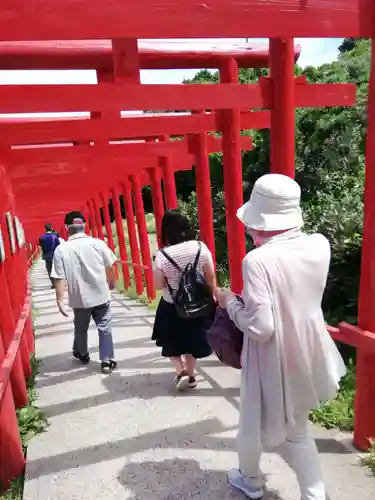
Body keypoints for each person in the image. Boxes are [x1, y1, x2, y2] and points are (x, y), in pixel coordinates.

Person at [215, 174, 346, 500]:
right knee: (298, 427)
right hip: (309, 345)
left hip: (270, 355)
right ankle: (314, 495)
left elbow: (261, 327)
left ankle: (250, 481)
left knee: (250, 421)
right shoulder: (319, 244)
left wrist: (229, 302)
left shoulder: (257, 260)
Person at [152, 210, 216, 390]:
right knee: (191, 342)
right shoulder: (200, 247)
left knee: (170, 342)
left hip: (172, 305)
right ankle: (191, 374)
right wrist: (212, 297)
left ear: (165, 231)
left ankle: (181, 371)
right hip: (197, 303)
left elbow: (158, 285)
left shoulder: (162, 255)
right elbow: (210, 276)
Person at [51, 211, 118, 374]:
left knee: (80, 328)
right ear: (84, 225)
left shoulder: (61, 249)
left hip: (79, 298)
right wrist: (112, 282)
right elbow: (110, 266)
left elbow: (58, 277)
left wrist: (60, 300)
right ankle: (107, 361)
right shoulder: (98, 243)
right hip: (101, 295)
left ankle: (82, 354)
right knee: (105, 327)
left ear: (66, 227)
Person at [39, 223, 60, 288]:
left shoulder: (42, 238)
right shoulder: (55, 236)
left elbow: (41, 246)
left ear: (45, 229)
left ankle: (53, 283)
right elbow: (58, 245)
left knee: (50, 269)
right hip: (55, 255)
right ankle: (59, 282)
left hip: (47, 256)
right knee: (57, 269)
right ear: (51, 228)